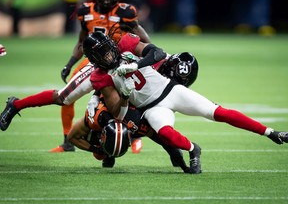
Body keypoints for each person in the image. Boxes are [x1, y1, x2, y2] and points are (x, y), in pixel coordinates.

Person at [82, 32, 288, 174]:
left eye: (108, 49)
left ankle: (272, 133)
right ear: (95, 59)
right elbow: (119, 115)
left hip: (169, 90)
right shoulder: (101, 77)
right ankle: (193, 149)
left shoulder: (126, 45)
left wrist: (136, 64)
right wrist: (125, 96)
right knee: (165, 134)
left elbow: (158, 53)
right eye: (102, 54)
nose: (109, 55)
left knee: (218, 113)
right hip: (150, 108)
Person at [0, 32, 190, 167]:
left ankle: (170, 149)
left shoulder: (126, 40)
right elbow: (108, 90)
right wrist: (95, 94)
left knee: (144, 115)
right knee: (62, 98)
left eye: (110, 49)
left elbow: (152, 48)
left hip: (124, 75)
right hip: (102, 76)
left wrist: (143, 62)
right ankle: (16, 105)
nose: (110, 54)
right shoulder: (97, 72)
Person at [56, 0, 150, 153]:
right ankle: (67, 140)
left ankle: (134, 136)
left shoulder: (124, 12)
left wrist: (149, 55)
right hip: (94, 61)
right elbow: (82, 41)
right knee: (66, 96)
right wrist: (69, 63)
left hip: (118, 61)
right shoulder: (85, 10)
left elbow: (144, 38)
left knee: (129, 97)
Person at [67, 93, 191, 172]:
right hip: (111, 106)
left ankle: (110, 152)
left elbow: (159, 138)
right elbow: (72, 137)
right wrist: (97, 150)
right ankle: (107, 154)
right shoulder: (96, 117)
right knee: (99, 155)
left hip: (139, 100)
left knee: (166, 141)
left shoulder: (137, 124)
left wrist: (176, 154)